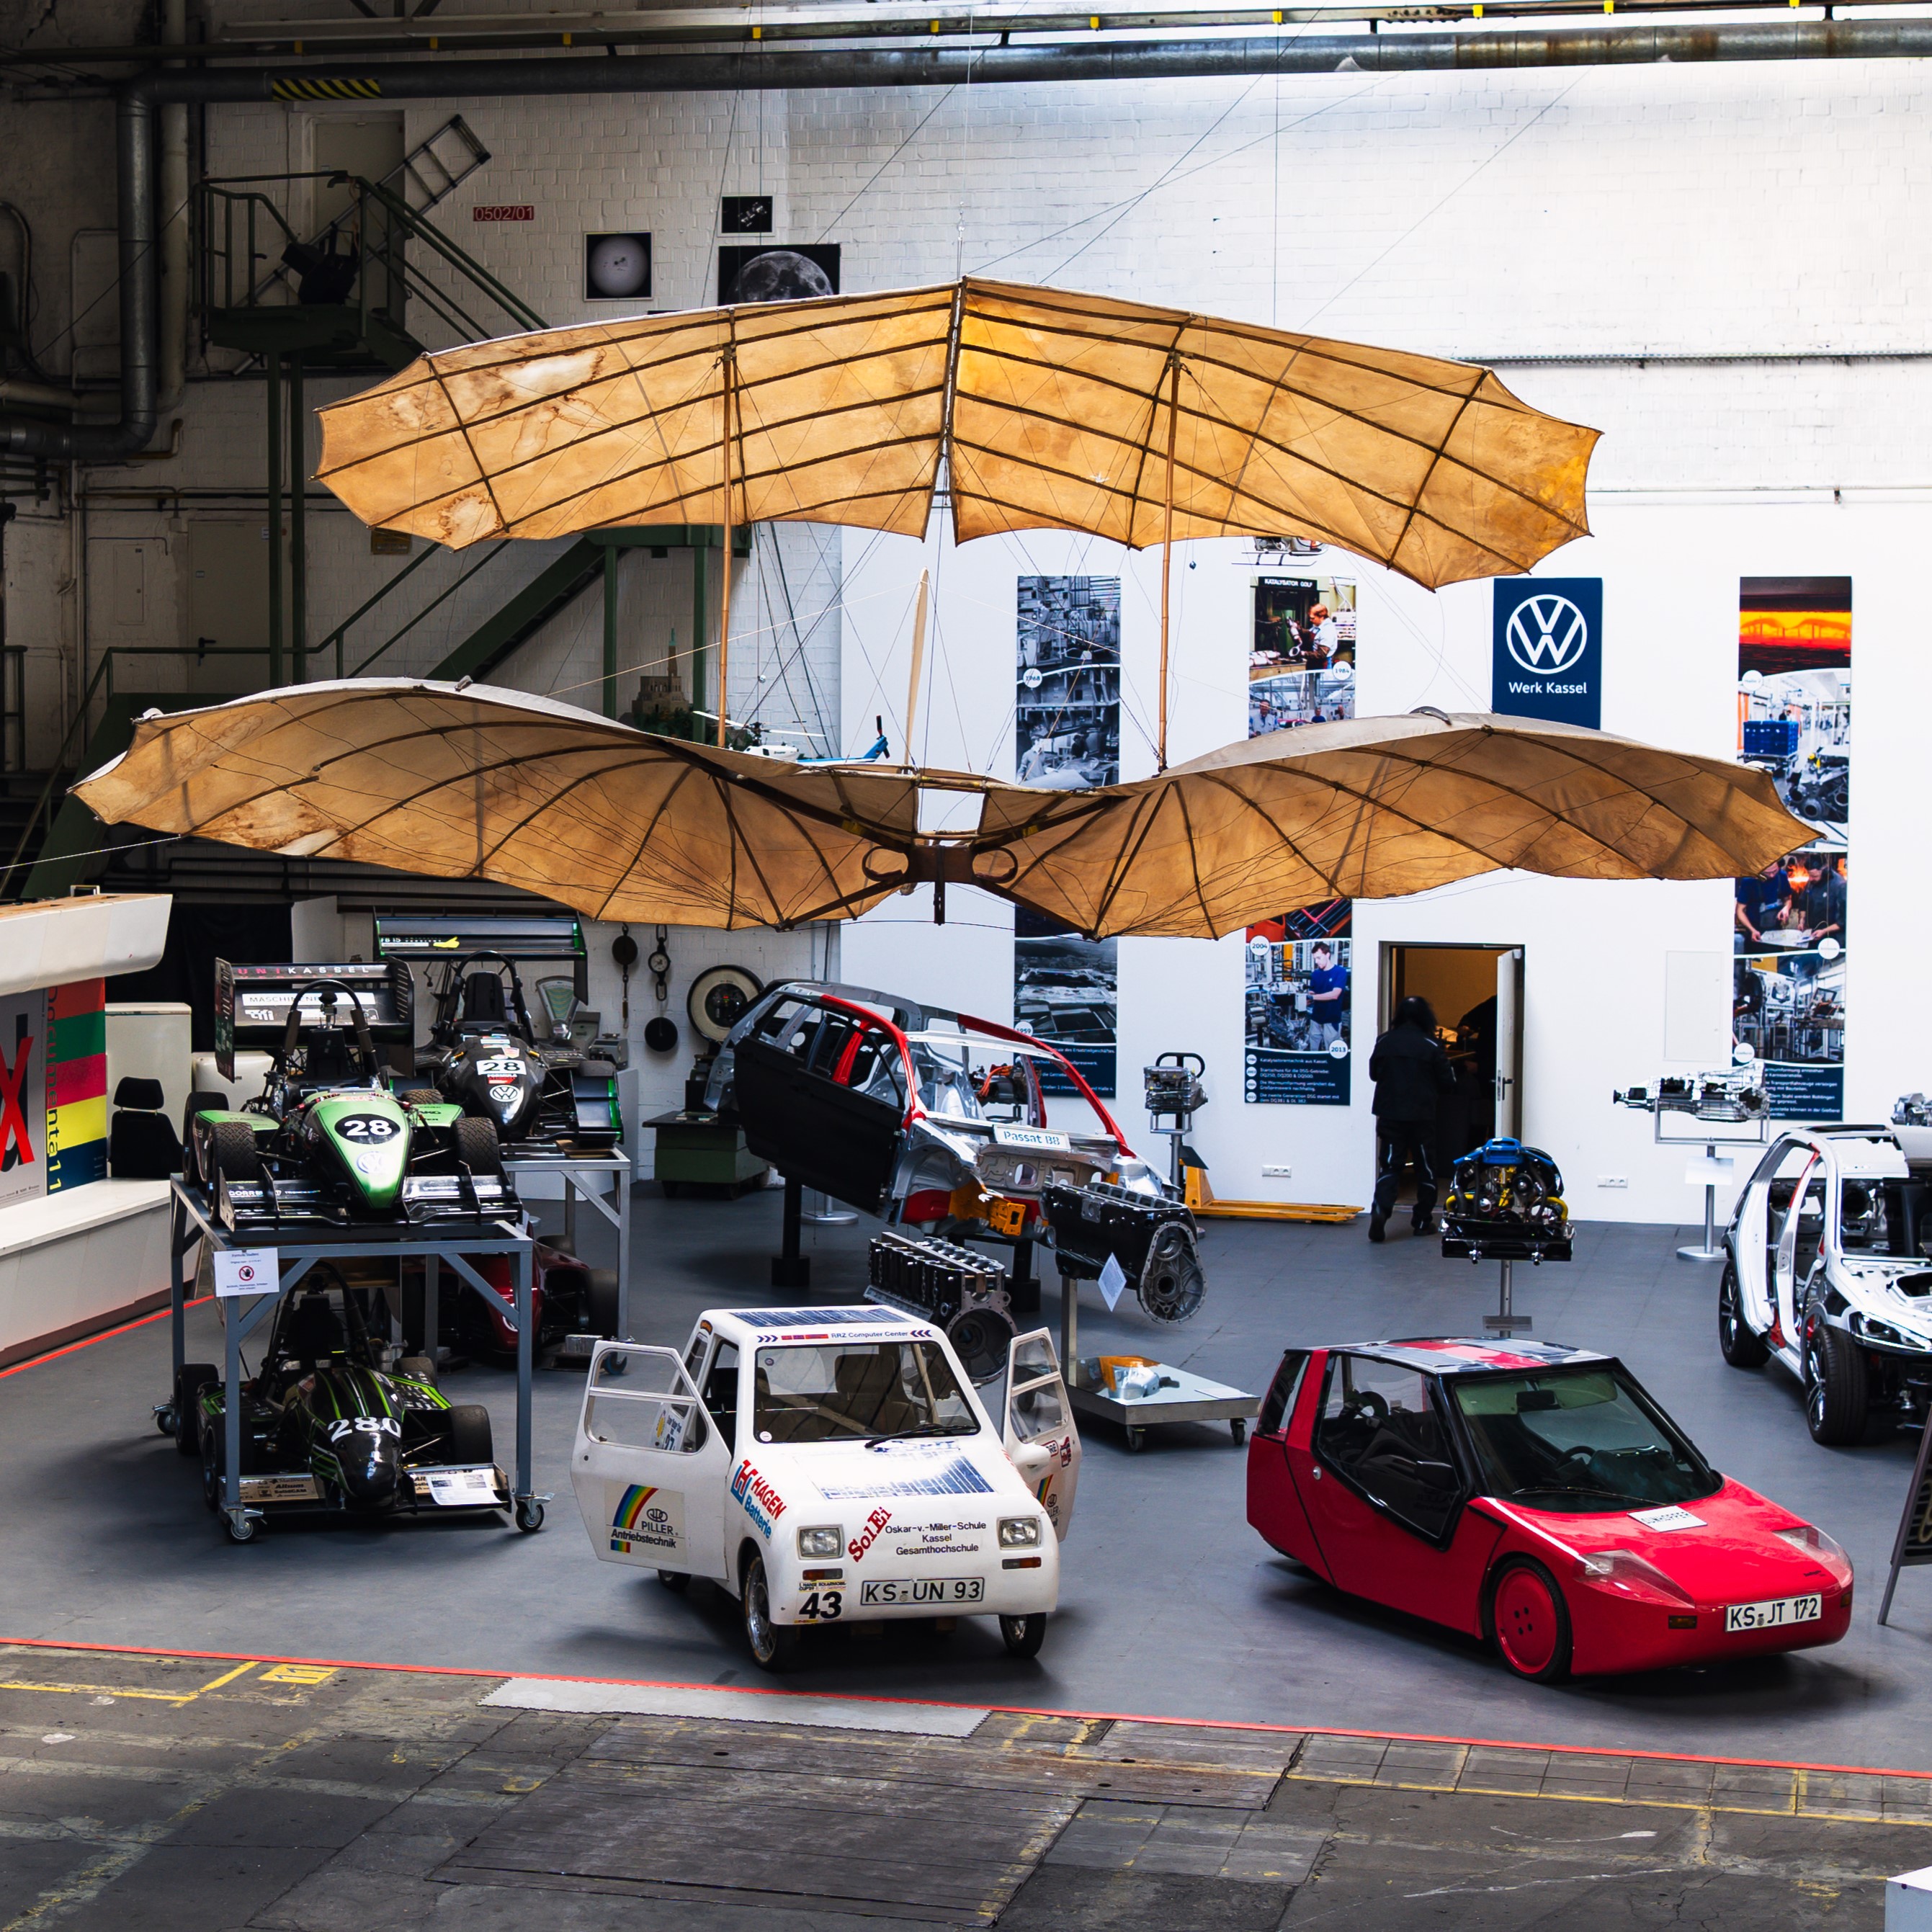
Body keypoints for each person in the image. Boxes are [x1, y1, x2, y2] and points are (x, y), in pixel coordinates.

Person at [1367, 994, 1456, 1243]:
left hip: (1390, 1114)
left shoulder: (1385, 1041)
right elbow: (1448, 1082)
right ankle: (1422, 1221)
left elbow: (1374, 1074)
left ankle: (1380, 1209)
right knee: (1425, 1167)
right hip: (1421, 1115)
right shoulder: (1431, 1045)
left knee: (1390, 1166)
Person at [1307, 941, 1348, 1049]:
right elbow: (1312, 991)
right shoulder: (1315, 974)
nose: (1316, 962)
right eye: (1315, 959)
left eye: (1319, 958)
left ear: (1328, 955)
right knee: (1313, 1049)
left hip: (1331, 1019)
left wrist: (1312, 997)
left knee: (1331, 1050)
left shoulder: (1340, 972)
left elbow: (1335, 994)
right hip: (1316, 1018)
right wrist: (1305, 998)